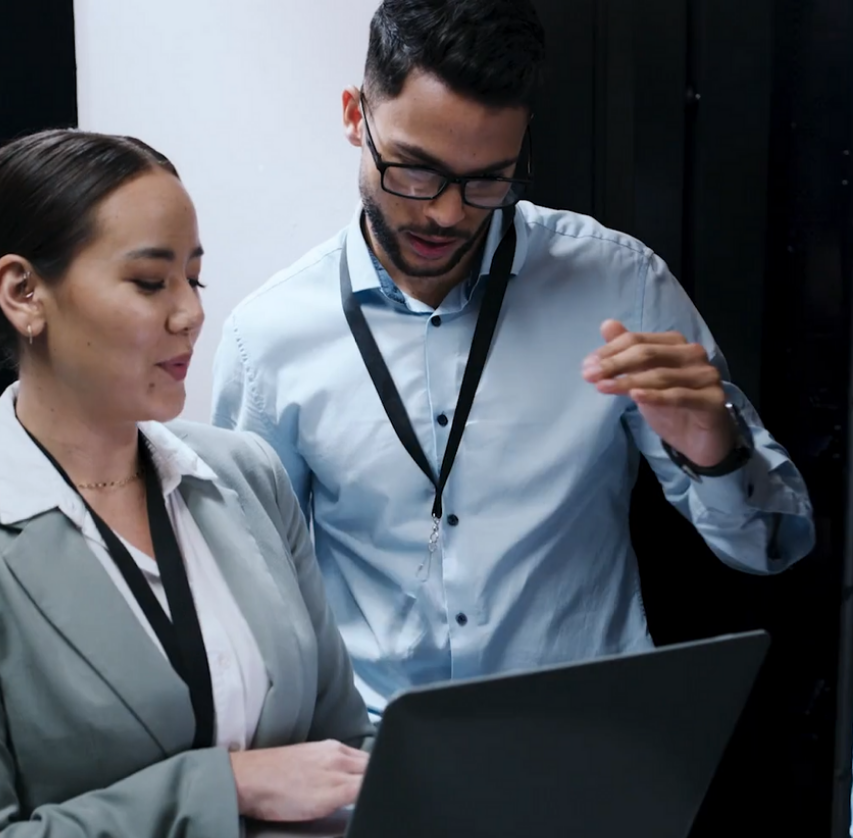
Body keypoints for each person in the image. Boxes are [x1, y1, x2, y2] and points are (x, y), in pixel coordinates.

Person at [211, 0, 816, 720]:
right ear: (354, 116)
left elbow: (772, 548)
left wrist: (716, 452)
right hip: (372, 750)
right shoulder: (266, 340)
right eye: (415, 171)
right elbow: (247, 596)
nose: (447, 213)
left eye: (488, 180)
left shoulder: (622, 285)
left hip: (589, 739)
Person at [0, 129, 372, 838]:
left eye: (194, 278)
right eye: (150, 282)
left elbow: (343, 752)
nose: (191, 313)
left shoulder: (248, 475)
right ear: (23, 292)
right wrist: (224, 787)